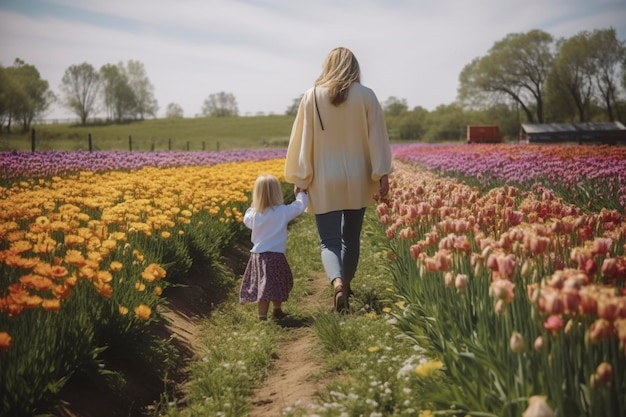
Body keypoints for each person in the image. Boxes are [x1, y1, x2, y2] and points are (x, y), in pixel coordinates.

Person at [284, 47, 392, 313]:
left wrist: (301, 176)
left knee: (328, 241)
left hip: (323, 178)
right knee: (351, 238)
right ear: (354, 67)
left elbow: (302, 139)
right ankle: (348, 285)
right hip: (358, 176)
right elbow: (378, 139)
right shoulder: (367, 96)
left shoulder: (311, 96)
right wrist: (382, 174)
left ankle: (338, 283)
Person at [239, 174, 308, 321]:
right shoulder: (282, 211)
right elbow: (299, 207)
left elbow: (246, 220)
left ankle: (264, 315)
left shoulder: (253, 215)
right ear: (278, 192)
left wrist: (255, 204)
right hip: (275, 256)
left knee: (263, 287)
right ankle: (273, 312)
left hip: (258, 256)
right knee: (276, 283)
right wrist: (301, 193)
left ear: (256, 194)